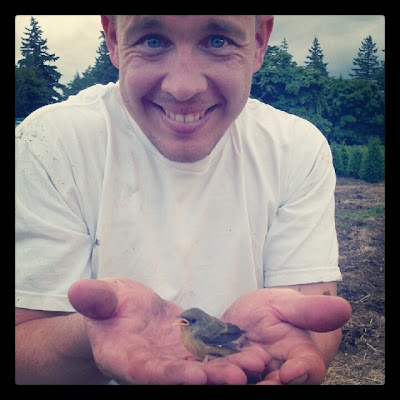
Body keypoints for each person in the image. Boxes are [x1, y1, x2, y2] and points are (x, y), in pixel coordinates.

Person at [15, 15, 351, 385]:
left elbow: (314, 324)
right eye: (153, 40)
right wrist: (89, 335)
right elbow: (23, 344)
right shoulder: (48, 143)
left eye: (218, 41)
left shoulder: (297, 149)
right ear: (113, 38)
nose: (183, 88)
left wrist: (287, 350)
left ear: (258, 41)